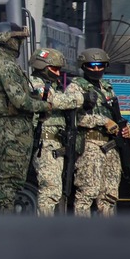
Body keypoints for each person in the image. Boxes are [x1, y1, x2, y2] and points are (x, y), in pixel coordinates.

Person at [0, 22, 50, 213]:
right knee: (10, 182)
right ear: (8, 41)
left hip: (9, 126)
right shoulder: (5, 66)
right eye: (17, 39)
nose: (19, 44)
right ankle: (6, 225)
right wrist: (46, 105)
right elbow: (21, 101)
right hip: (12, 128)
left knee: (9, 181)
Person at [72, 47, 130, 217]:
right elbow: (75, 117)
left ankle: (106, 234)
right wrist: (103, 121)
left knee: (109, 195)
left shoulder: (107, 88)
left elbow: (116, 116)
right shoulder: (76, 87)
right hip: (91, 146)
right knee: (87, 192)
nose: (97, 69)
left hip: (111, 147)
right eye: (92, 65)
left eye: (101, 65)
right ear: (84, 66)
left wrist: (126, 128)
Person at [28, 48, 83, 216]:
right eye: (54, 69)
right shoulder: (34, 84)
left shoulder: (53, 86)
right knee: (49, 190)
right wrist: (81, 98)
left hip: (57, 145)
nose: (58, 73)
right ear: (42, 66)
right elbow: (54, 100)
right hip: (45, 145)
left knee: (56, 191)